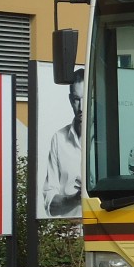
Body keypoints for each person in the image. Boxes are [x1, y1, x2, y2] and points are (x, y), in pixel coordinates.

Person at [43, 68, 83, 218]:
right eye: (77, 99)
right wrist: (76, 198)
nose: (82, 106)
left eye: (86, 98)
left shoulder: (109, 138)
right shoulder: (59, 139)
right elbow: (50, 205)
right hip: (69, 235)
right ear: (70, 100)